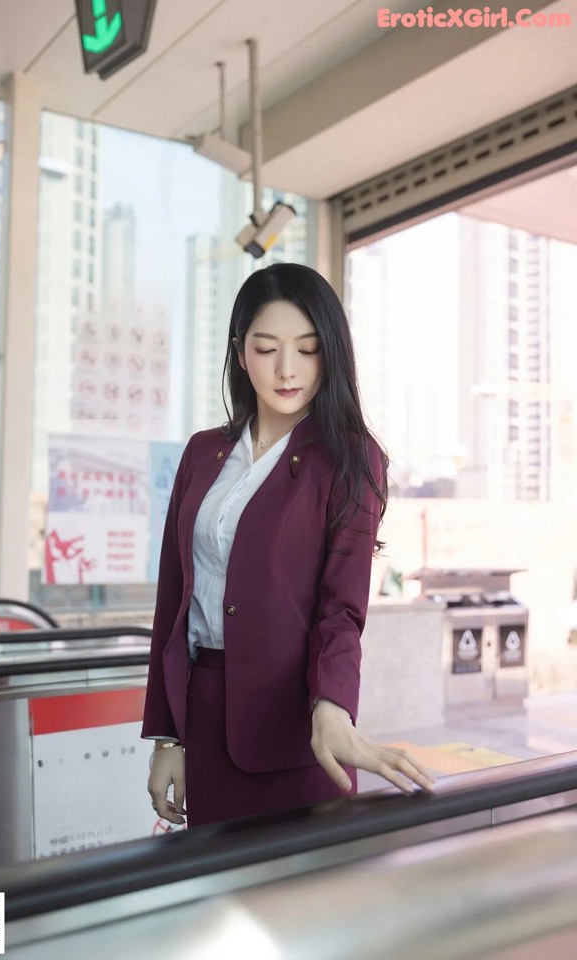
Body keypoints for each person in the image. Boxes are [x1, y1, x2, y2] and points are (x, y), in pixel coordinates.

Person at [142, 263, 434, 828]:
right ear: (240, 351)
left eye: (307, 349)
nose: (286, 369)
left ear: (331, 354)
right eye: (266, 347)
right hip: (203, 721)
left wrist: (333, 708)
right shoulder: (203, 453)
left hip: (298, 734)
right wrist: (167, 735)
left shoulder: (350, 458)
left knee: (301, 909)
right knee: (217, 904)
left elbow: (341, 611)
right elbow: (172, 600)